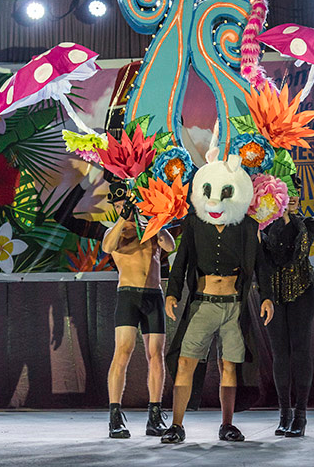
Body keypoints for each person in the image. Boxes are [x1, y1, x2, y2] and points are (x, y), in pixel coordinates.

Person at [160, 152, 274, 444]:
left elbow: (260, 264)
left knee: (229, 365)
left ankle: (227, 424)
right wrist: (172, 294)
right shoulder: (195, 224)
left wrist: (267, 296)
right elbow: (181, 260)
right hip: (203, 304)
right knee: (186, 362)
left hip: (234, 307)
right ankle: (176, 425)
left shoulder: (247, 227)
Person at [102, 181, 175, 439]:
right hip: (128, 296)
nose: (125, 209)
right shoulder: (116, 232)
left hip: (153, 295)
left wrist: (152, 221)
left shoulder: (149, 229)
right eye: (120, 206)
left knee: (156, 355)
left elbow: (170, 246)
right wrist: (123, 220)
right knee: (123, 351)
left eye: (127, 205)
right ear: (116, 207)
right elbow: (107, 247)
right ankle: (114, 417)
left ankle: (154, 416)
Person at [262, 175, 314, 437]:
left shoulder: (307, 223)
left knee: (300, 349)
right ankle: (284, 413)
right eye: (287, 191)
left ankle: (301, 415)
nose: (292, 196)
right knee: (280, 352)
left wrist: (289, 216)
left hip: (302, 293)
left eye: (296, 192)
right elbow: (269, 255)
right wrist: (277, 216)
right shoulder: (263, 226)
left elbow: (299, 252)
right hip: (273, 296)